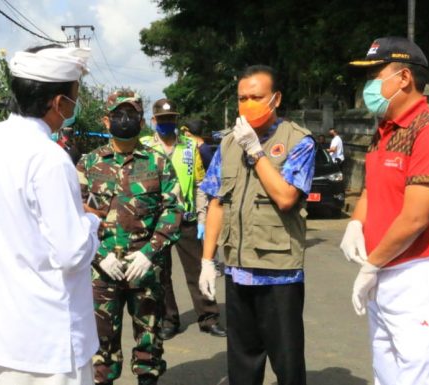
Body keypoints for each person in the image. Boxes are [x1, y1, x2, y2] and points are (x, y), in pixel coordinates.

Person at [0, 45, 101, 385]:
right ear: (58, 102)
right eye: (74, 96)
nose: (74, 105)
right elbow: (70, 253)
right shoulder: (48, 157)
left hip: (0, 330)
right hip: (48, 337)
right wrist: (90, 222)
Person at [340, 37, 429, 385]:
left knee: (423, 375)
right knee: (388, 373)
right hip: (387, 269)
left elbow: (416, 217)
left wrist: (372, 263)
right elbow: (372, 188)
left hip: (422, 270)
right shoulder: (385, 129)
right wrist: (356, 223)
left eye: (375, 76)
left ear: (404, 78)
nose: (369, 87)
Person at [199, 65, 316, 385]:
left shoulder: (298, 141)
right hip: (238, 270)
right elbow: (216, 202)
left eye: (256, 97)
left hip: (279, 271)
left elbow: (286, 197)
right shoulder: (226, 145)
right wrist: (207, 260)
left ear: (275, 99)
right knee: (242, 364)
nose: (248, 103)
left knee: (287, 363)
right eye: (242, 98)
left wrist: (256, 151)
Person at [79, 96, 183, 385]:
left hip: (145, 269)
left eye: (131, 114)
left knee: (149, 345)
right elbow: (71, 214)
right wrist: (99, 254)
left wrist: (150, 252)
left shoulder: (157, 161)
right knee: (101, 349)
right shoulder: (88, 163)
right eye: (118, 114)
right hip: (102, 272)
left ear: (140, 120)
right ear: (106, 120)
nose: (125, 119)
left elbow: (173, 209)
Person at [142, 100, 226, 339]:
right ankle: (169, 319)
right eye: (162, 119)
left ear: (176, 121)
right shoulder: (145, 147)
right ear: (154, 121)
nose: (167, 123)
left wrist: (202, 217)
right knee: (161, 273)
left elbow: (201, 184)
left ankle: (209, 317)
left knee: (199, 269)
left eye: (171, 119)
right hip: (156, 220)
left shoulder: (190, 147)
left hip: (186, 218)